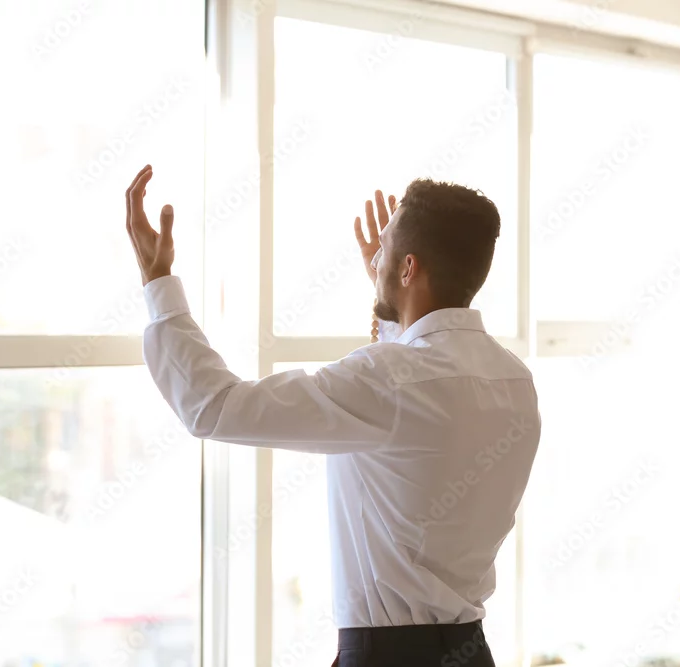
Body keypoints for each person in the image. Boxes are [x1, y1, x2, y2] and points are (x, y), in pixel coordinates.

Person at [123, 164, 541, 667]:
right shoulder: (515, 380)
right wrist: (396, 295)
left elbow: (213, 406)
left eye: (385, 249)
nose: (376, 257)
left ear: (408, 268)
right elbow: (415, 403)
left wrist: (158, 283)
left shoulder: (388, 381)